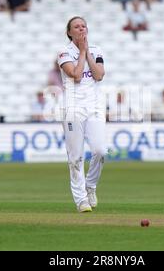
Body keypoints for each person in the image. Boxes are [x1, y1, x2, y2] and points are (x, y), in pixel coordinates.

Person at [57, 17, 106, 213]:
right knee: (76, 157)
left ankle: (90, 185)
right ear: (69, 32)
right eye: (76, 27)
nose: (81, 29)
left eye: (84, 26)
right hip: (73, 107)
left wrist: (88, 53)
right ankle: (81, 200)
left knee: (101, 150)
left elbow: (99, 75)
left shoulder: (97, 49)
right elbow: (76, 75)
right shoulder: (63, 52)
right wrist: (82, 52)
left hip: (94, 106)